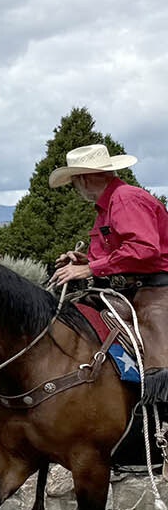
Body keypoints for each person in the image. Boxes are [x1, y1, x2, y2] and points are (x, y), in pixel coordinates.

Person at [50, 143, 168, 409]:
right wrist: (86, 261)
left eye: (74, 181)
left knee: (160, 364)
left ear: (84, 178)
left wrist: (90, 269)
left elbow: (144, 249)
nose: (75, 188)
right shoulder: (108, 206)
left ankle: (159, 420)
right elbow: (119, 253)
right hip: (130, 289)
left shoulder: (126, 199)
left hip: (157, 289)